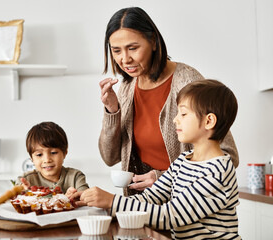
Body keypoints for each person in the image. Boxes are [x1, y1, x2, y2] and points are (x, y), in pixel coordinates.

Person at [73, 79, 240, 239]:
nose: (175, 119)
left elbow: (170, 215)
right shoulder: (183, 160)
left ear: (209, 121)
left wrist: (112, 202)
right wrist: (94, 200)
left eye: (183, 113)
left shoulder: (218, 172)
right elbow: (149, 198)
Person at [98, 7, 239, 196]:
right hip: (142, 207)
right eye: (116, 51)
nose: (125, 59)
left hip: (186, 207)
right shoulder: (127, 87)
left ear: (154, 42)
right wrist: (112, 110)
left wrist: (163, 178)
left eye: (133, 48)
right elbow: (110, 157)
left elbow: (227, 156)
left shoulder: (187, 81)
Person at [17, 121, 89, 195]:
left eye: (53, 153)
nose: (47, 160)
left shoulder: (76, 177)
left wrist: (73, 198)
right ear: (31, 158)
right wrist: (23, 192)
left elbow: (85, 198)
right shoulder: (26, 180)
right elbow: (15, 198)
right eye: (39, 155)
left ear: (64, 152)